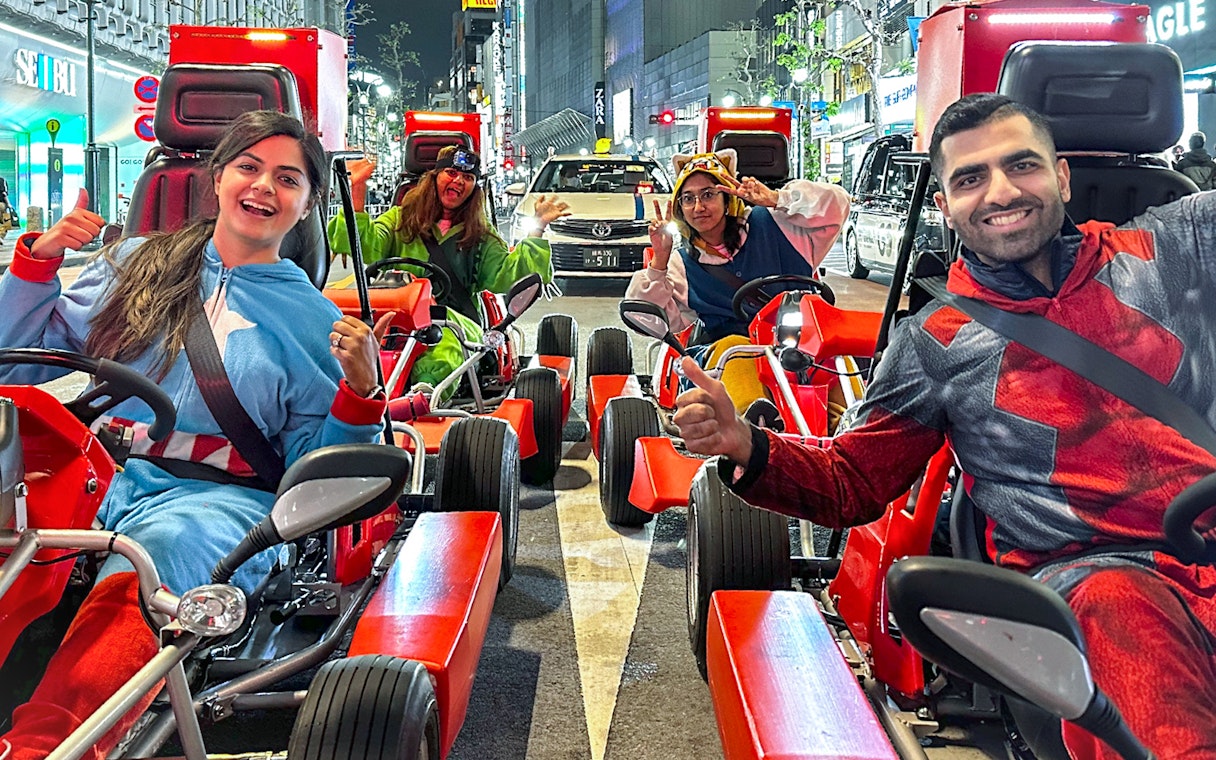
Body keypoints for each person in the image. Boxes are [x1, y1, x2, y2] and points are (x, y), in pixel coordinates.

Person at [673, 93, 1216, 759]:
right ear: (944, 206)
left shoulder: (1174, 250)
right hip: (1104, 582)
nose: (1001, 192)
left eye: (1022, 166)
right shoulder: (937, 341)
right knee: (1134, 647)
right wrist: (744, 445)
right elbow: (851, 481)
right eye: (970, 178)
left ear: (1063, 176)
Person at [0, 110, 392, 759]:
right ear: (217, 179)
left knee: (150, 559)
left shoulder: (314, 321)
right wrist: (36, 269)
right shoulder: (132, 264)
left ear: (306, 205)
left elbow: (314, 473)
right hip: (94, 469)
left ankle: (49, 745)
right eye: (249, 166)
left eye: (287, 177)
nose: (264, 186)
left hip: (216, 501)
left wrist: (359, 394)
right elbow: (23, 354)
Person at [625, 148, 849, 414]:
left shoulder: (779, 224)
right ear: (680, 209)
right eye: (688, 199)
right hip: (729, 356)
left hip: (802, 345)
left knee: (837, 359)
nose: (698, 207)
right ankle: (753, 424)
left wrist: (778, 198)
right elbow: (649, 320)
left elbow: (839, 204)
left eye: (708, 195)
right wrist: (659, 261)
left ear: (727, 198)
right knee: (735, 348)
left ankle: (851, 429)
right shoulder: (682, 264)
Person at [328, 146, 569, 390]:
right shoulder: (399, 220)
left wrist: (537, 227)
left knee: (443, 347)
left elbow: (510, 273)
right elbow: (363, 246)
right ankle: (348, 393)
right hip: (396, 324)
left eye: (468, 177)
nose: (459, 181)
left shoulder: (479, 236)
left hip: (454, 326)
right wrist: (356, 191)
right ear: (434, 177)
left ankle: (423, 395)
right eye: (452, 173)